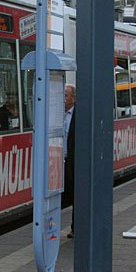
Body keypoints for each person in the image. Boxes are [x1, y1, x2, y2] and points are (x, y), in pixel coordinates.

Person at [63, 84, 76, 238]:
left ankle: (75, 227)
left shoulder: (78, 115)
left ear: (73, 99)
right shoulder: (55, 114)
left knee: (75, 196)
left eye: (65, 96)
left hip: (72, 162)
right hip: (59, 161)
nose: (63, 99)